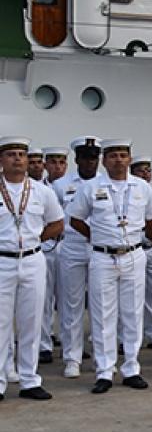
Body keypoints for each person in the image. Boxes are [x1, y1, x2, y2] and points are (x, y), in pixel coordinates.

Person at [66, 139, 152, 394]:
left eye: (123, 155)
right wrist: (96, 237)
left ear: (130, 159)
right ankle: (105, 371)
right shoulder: (91, 187)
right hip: (102, 257)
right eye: (113, 156)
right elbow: (75, 219)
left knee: (132, 313)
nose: (118, 160)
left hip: (133, 255)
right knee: (103, 314)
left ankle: (131, 367)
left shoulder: (142, 187)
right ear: (105, 161)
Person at [0, 136, 64, 401]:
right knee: (1, 324)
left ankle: (29, 379)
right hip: (2, 260)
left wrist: (36, 240)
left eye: (22, 154)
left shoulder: (41, 191)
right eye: (11, 154)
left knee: (31, 321)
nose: (17, 158)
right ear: (1, 160)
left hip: (32, 259)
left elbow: (57, 223)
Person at [52, 136, 100, 378]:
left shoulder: (106, 184)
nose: (90, 162)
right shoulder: (61, 185)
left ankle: (101, 356)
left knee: (101, 305)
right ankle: (72, 357)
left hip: (101, 248)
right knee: (71, 305)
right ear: (77, 159)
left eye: (94, 158)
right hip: (72, 245)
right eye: (85, 157)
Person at [38, 146, 68, 365]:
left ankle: (69, 343)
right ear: (45, 165)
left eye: (61, 162)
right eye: (53, 162)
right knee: (45, 298)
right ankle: (44, 344)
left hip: (68, 246)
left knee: (68, 298)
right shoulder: (37, 189)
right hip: (46, 246)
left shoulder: (74, 187)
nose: (57, 166)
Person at [130, 155, 152, 349]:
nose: (145, 173)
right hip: (132, 247)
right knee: (130, 296)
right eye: (140, 170)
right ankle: (125, 336)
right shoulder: (127, 191)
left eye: (148, 170)